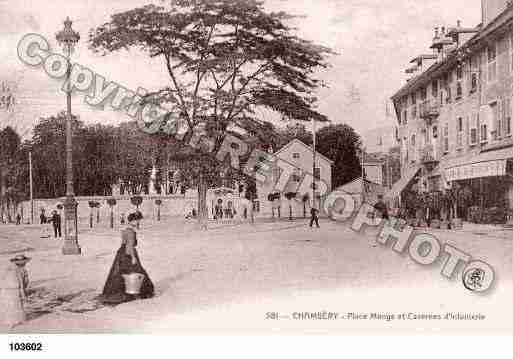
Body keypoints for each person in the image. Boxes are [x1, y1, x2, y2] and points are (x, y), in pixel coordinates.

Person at [99, 213, 154, 305]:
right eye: (137, 220)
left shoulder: (125, 229)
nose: (138, 222)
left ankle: (127, 291)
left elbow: (124, 243)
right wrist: (133, 257)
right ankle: (137, 292)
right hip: (128, 253)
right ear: (132, 221)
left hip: (121, 253)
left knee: (122, 273)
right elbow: (130, 246)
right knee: (137, 272)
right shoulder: (131, 232)